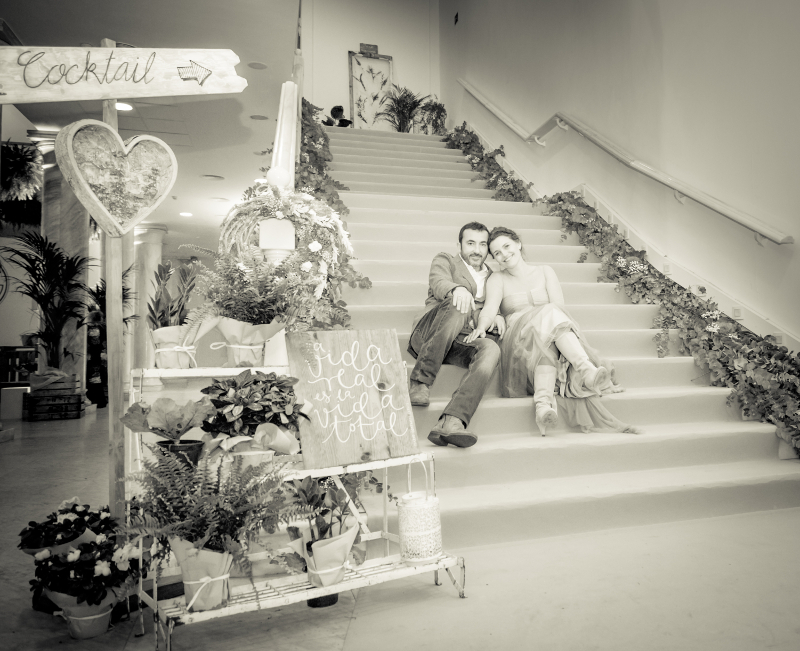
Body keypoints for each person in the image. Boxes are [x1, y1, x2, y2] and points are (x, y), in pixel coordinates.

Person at [466, 226, 636, 436]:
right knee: (548, 316)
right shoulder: (497, 279)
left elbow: (560, 310)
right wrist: (482, 326)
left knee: (548, 336)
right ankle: (585, 369)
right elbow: (490, 309)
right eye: (497, 253)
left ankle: (543, 406)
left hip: (550, 337)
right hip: (519, 342)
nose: (504, 254)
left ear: (518, 243)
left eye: (507, 246)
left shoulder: (545, 271)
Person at [407, 222, 505, 448]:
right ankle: (420, 381)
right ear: (459, 244)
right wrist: (456, 289)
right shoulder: (446, 260)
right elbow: (438, 282)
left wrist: (497, 315)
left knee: (491, 348)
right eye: (470, 243)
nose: (477, 250)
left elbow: (490, 305)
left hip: (460, 342)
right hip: (431, 332)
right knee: (458, 303)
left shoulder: (492, 276)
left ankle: (453, 420)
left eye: (482, 244)